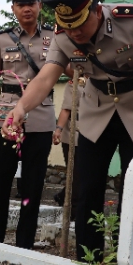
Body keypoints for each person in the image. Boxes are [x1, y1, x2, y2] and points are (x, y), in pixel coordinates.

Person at [4, 0, 133, 260]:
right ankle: (90, 260)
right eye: (67, 26)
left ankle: (130, 259)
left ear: (96, 10)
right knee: (86, 189)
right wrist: (21, 107)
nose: (74, 33)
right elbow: (45, 78)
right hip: (95, 110)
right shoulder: (63, 36)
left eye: (79, 24)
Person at [0, 0, 57, 249]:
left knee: (33, 186)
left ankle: (25, 244)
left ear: (40, 5)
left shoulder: (55, 36)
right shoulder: (1, 40)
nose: (27, 8)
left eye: (32, 2)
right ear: (13, 8)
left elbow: (70, 71)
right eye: (20, 4)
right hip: (6, 119)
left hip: (42, 118)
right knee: (0, 182)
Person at [52, 77, 84, 212]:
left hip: (92, 132)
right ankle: (73, 209)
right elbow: (66, 110)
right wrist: (58, 129)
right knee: (76, 172)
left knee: (83, 173)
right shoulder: (74, 83)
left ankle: (62, 196)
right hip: (73, 134)